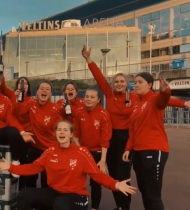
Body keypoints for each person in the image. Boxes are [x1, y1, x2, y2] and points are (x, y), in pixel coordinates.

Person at [81, 45, 190, 210]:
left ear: (127, 84)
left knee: (125, 175)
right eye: (116, 81)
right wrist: (88, 59)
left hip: (129, 138)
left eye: (122, 81)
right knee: (114, 176)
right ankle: (120, 206)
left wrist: (184, 103)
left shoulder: (135, 97)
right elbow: (99, 77)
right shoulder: (110, 94)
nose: (118, 84)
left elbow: (159, 99)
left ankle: (125, 206)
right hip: (113, 139)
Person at [0, 120, 137, 210]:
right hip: (55, 193)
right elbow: (33, 167)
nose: (61, 132)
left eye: (65, 130)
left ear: (71, 134)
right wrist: (10, 167)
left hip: (77, 197)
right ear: (55, 133)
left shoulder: (81, 152)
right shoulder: (50, 152)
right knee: (24, 195)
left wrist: (116, 185)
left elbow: (97, 175)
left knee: (60, 205)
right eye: (58, 130)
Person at [123, 74, 170, 210]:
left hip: (154, 150)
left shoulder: (155, 98)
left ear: (149, 85)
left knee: (152, 193)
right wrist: (128, 148)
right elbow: (132, 130)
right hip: (138, 151)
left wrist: (165, 90)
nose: (136, 85)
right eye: (135, 82)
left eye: (140, 82)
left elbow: (164, 98)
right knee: (145, 191)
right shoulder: (137, 105)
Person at [14, 81, 63, 188]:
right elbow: (17, 114)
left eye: (47, 89)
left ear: (50, 94)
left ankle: (46, 204)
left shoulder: (56, 110)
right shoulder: (32, 104)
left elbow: (65, 128)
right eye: (42, 88)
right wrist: (17, 101)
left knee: (46, 181)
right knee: (30, 179)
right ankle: (31, 203)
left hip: (50, 149)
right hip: (35, 147)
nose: (44, 90)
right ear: (37, 92)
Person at [73, 88, 112, 210]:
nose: (88, 99)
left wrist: (103, 160)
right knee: (76, 181)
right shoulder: (79, 112)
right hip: (82, 152)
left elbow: (105, 139)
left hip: (97, 153)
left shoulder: (103, 114)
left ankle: (95, 208)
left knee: (95, 184)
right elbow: (75, 135)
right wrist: (80, 152)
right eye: (87, 96)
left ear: (98, 99)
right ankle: (76, 206)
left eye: (92, 97)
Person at [0, 75, 33, 188]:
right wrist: (0, 73)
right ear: (17, 85)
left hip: (26, 135)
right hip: (14, 133)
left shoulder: (32, 100)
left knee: (24, 164)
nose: (23, 85)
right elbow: (2, 86)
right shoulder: (11, 95)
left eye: (26, 83)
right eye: (21, 83)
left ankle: (22, 191)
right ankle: (8, 189)